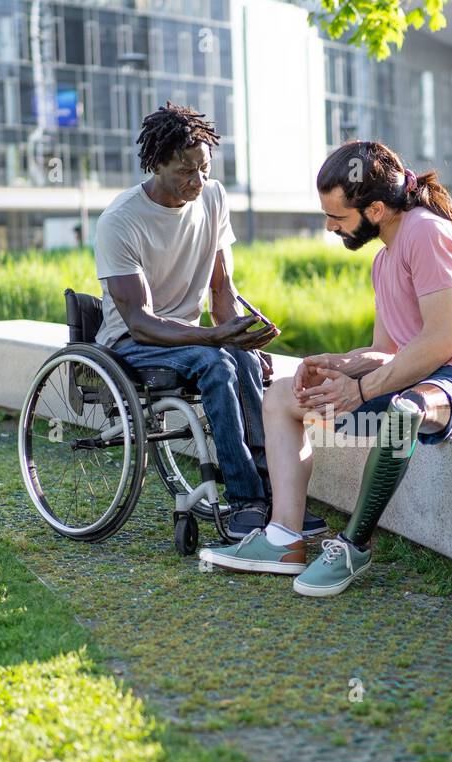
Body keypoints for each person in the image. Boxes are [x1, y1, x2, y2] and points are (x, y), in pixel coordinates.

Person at [199, 141, 452, 595]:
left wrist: (361, 393)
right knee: (284, 395)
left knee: (405, 412)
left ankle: (353, 546)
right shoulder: (384, 259)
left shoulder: (425, 233)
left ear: (377, 209)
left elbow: (445, 341)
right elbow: (388, 351)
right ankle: (284, 538)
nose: (329, 227)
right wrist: (338, 365)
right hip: (416, 374)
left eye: (338, 218)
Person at [94, 102, 326, 539]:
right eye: (185, 171)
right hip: (132, 341)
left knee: (242, 362)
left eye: (203, 169)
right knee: (215, 364)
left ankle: (278, 497)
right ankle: (246, 500)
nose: (197, 182)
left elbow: (222, 289)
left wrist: (241, 336)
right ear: (156, 162)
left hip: (191, 338)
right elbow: (140, 321)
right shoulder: (119, 221)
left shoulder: (214, 198)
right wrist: (215, 338)